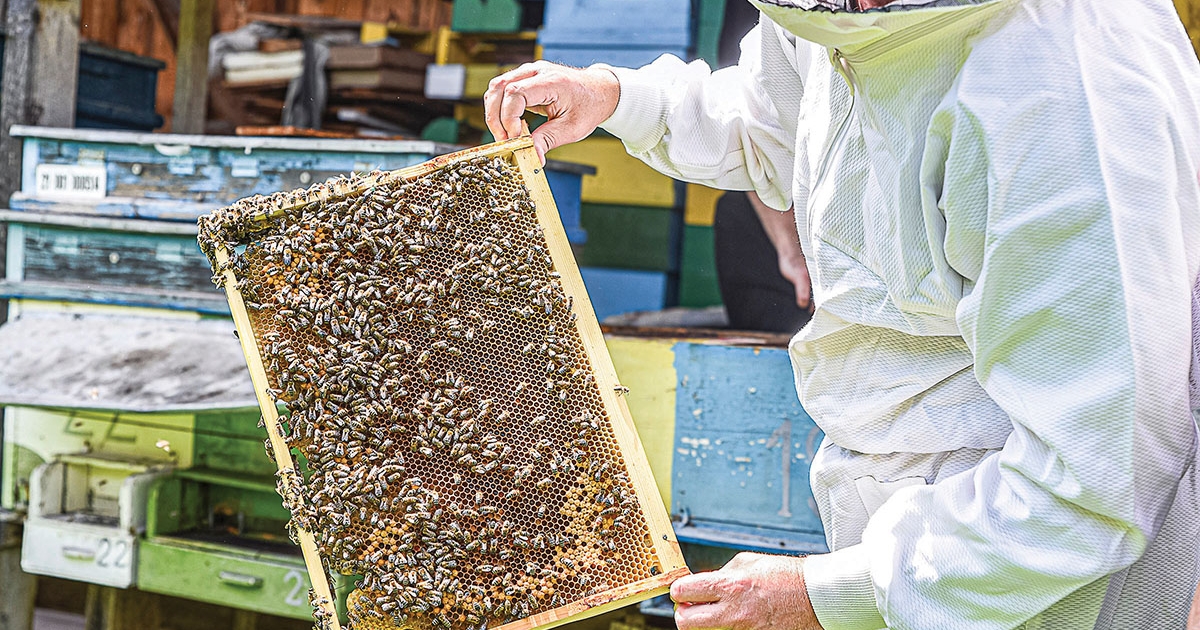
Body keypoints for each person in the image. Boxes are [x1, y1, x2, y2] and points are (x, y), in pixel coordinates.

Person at [485, 0, 1200, 628]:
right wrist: (618, 98)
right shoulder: (835, 13)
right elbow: (774, 119)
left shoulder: (1064, 89)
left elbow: (1094, 479)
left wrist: (824, 595)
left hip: (1044, 588)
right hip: (900, 538)